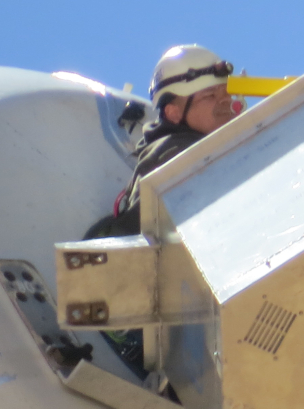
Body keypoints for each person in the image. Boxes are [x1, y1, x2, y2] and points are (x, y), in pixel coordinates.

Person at [86, 44, 241, 376]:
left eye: (224, 93)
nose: (224, 102)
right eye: (209, 97)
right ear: (173, 113)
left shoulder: (200, 152)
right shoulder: (174, 157)